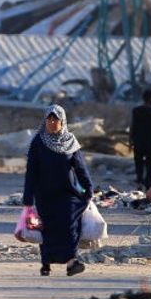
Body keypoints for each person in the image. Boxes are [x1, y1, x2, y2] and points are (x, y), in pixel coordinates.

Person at [23, 104, 94, 277]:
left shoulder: (70, 141)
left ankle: (72, 262)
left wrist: (88, 187)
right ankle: (46, 263)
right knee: (47, 229)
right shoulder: (38, 142)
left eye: (56, 120)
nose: (52, 123)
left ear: (63, 122)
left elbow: (80, 167)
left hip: (67, 192)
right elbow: (31, 170)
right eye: (49, 119)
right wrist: (28, 197)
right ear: (45, 121)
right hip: (45, 194)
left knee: (70, 224)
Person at [129, 89, 151, 190]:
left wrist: (130, 140)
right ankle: (148, 185)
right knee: (150, 165)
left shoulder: (136, 111)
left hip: (138, 142)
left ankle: (139, 182)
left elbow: (132, 126)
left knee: (138, 163)